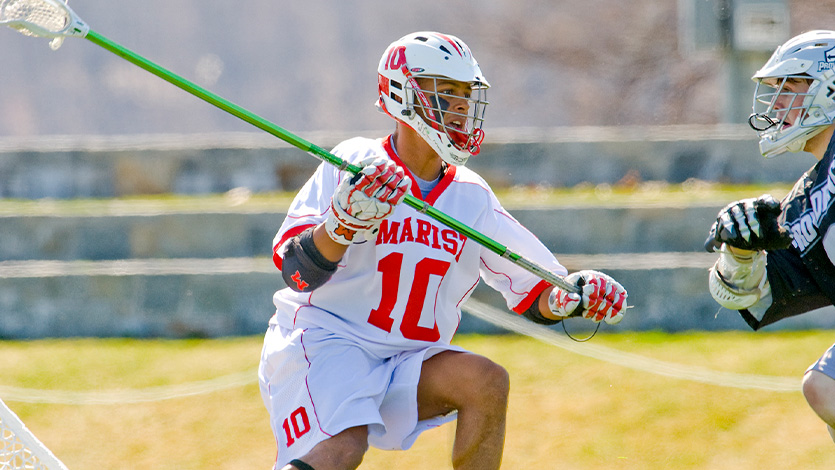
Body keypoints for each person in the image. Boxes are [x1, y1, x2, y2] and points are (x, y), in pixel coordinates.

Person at [258, 31, 629, 470]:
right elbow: (297, 273)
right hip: (328, 343)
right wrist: (342, 225)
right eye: (446, 91)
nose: (460, 106)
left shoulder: (471, 196)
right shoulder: (356, 163)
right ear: (402, 94)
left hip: (406, 357)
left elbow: (535, 291)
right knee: (341, 450)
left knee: (486, 382)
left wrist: (573, 296)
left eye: (466, 95)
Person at [704, 30, 835, 442]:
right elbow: (753, 297)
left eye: (790, 88)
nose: (777, 103)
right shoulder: (809, 198)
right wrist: (740, 250)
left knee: (825, 386)